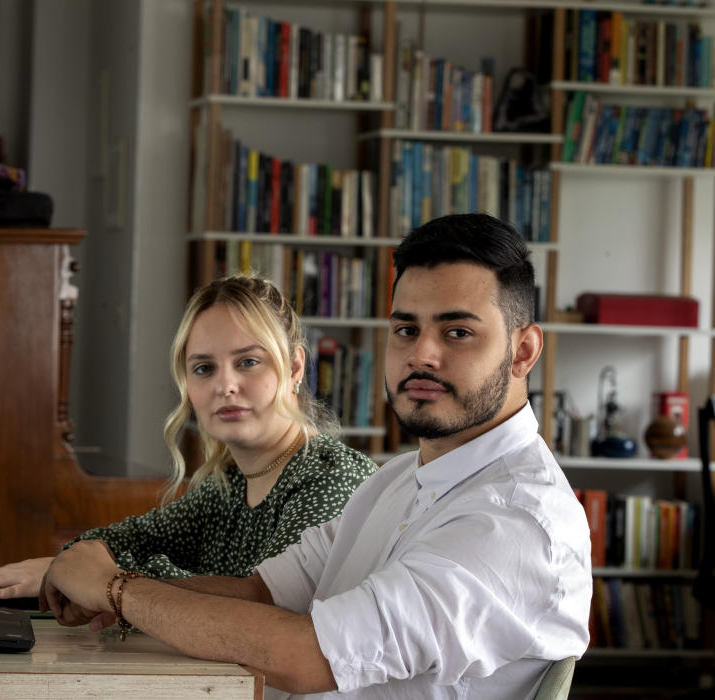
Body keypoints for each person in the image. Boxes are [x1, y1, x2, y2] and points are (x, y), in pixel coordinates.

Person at [38, 213, 593, 699]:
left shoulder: (515, 523)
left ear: (522, 351)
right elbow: (262, 591)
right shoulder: (399, 479)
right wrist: (105, 591)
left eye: (457, 332)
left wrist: (117, 590)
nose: (422, 354)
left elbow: (309, 655)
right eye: (406, 328)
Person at [0, 275, 377, 599]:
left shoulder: (329, 478)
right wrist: (65, 566)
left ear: (294, 367)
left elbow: (263, 605)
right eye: (204, 368)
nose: (225, 385)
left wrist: (96, 580)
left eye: (248, 362)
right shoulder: (231, 480)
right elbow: (132, 538)